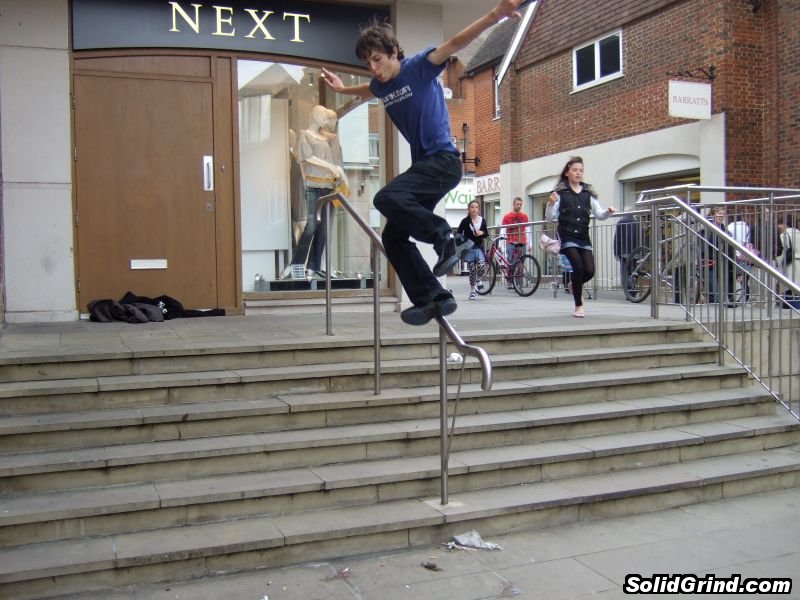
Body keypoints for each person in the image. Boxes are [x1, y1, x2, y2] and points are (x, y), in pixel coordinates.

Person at [321, 0, 524, 325]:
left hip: (443, 162)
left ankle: (447, 238)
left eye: (377, 59)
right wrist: (345, 88)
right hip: (425, 169)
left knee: (385, 198)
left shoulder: (420, 66)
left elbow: (456, 42)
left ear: (393, 52)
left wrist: (494, 16)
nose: (373, 67)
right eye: (367, 62)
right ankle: (435, 297)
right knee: (393, 237)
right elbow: (369, 89)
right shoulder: (379, 83)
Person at [546, 156, 616, 317]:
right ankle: (579, 305)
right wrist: (550, 204)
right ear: (567, 172)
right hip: (567, 236)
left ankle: (573, 284)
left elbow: (599, 214)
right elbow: (550, 217)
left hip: (583, 236)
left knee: (589, 271)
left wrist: (608, 212)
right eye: (575, 170)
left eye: (581, 171)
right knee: (578, 267)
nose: (578, 173)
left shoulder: (588, 193)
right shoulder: (560, 193)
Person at [285, 104, 346, 278]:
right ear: (313, 116)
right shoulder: (304, 135)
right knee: (311, 226)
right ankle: (296, 263)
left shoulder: (324, 139)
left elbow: (332, 161)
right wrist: (330, 166)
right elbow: (307, 158)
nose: (325, 120)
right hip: (313, 186)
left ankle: (314, 265)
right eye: (322, 116)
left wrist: (338, 172)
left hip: (329, 186)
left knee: (324, 228)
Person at [457, 200, 488, 300]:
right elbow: (459, 233)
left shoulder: (482, 220)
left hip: (478, 247)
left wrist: (481, 232)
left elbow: (486, 233)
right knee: (472, 270)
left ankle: (479, 279)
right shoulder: (465, 221)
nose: (474, 209)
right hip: (469, 248)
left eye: (476, 207)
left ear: (479, 209)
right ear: (468, 209)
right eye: (472, 207)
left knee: (482, 266)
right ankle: (472, 290)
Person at [501, 197, 530, 272]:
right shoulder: (507, 217)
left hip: (522, 242)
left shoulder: (524, 216)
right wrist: (501, 245)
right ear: (513, 204)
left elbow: (528, 230)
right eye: (517, 204)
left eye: (520, 204)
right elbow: (503, 230)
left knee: (521, 262)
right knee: (511, 261)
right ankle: (510, 280)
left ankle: (519, 283)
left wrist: (530, 243)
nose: (519, 206)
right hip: (510, 242)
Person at [613, 213, 639, 292]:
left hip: (624, 251)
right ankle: (633, 288)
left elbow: (617, 238)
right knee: (633, 271)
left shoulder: (621, 222)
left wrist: (616, 252)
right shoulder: (637, 223)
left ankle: (628, 290)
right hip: (635, 252)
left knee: (625, 272)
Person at [777, 214, 799, 305]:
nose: (779, 226)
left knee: (788, 288)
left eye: (781, 223)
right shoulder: (798, 233)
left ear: (787, 224)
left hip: (790, 263)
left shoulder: (784, 235)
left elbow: (783, 250)